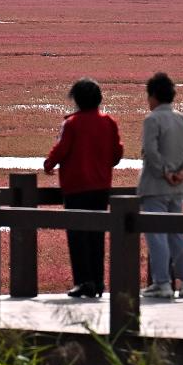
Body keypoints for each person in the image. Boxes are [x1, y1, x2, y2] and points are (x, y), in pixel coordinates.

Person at [44, 78, 124, 298]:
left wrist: (48, 164)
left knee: (78, 236)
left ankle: (83, 281)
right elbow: (117, 154)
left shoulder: (72, 124)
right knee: (97, 235)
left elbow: (61, 150)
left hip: (76, 188)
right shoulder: (109, 122)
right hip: (100, 188)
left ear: (77, 100)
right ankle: (98, 282)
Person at [136, 73, 183, 299]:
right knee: (177, 234)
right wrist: (181, 172)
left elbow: (151, 152)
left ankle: (162, 283)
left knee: (157, 235)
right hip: (178, 188)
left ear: (153, 96)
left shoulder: (152, 120)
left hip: (155, 187)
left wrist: (165, 172)